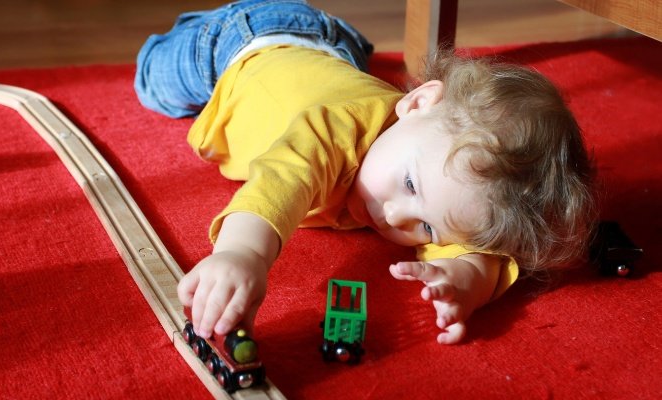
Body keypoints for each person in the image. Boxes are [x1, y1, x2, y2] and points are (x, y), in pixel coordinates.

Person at [134, 0, 596, 344]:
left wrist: (467, 277)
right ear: (416, 103)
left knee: (338, 66)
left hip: (336, 52)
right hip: (244, 44)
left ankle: (336, 38)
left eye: (428, 225)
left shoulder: (440, 172)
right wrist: (243, 254)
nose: (397, 218)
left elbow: (479, 245)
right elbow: (284, 177)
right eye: (410, 185)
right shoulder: (335, 129)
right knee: (156, 84)